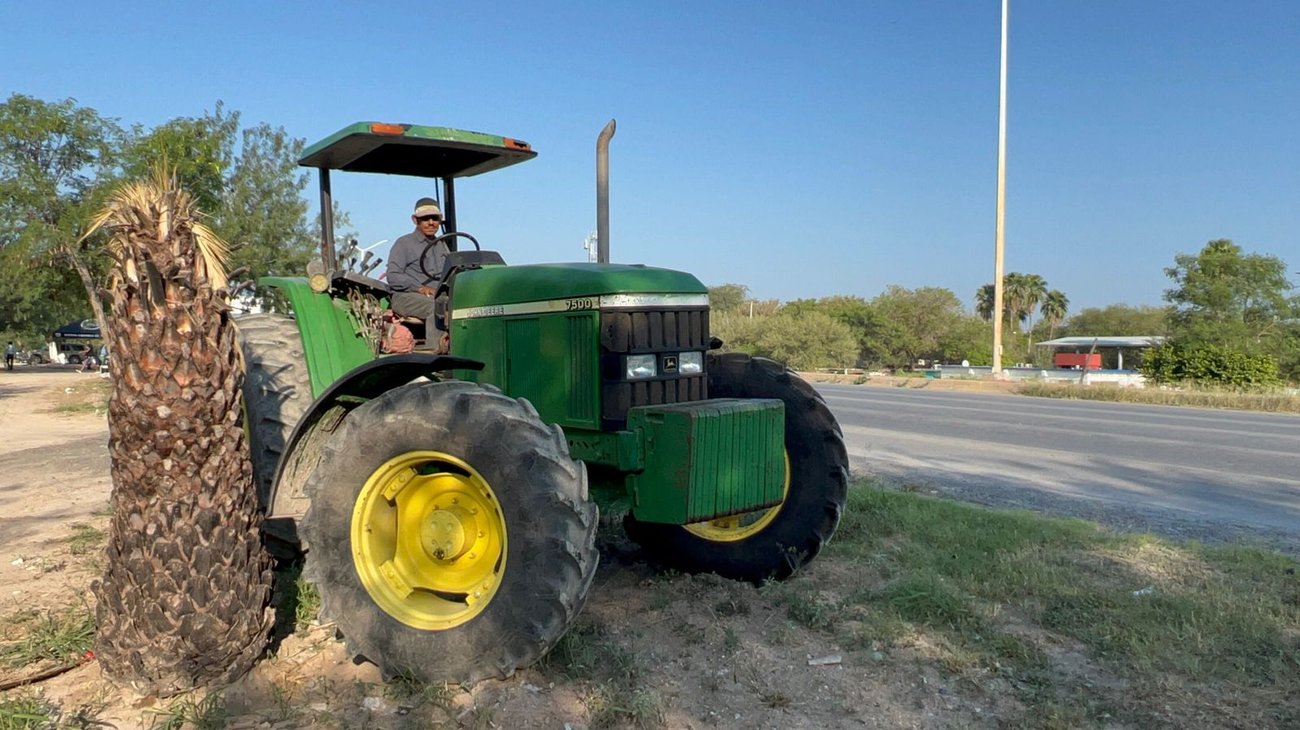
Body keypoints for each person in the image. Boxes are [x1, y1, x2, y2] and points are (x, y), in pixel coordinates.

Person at [385, 197, 449, 320]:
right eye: (425, 218)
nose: (431, 222)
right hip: (407, 296)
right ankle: (435, 340)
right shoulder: (404, 243)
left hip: (437, 296)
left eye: (435, 218)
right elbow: (393, 275)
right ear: (415, 220)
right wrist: (419, 288)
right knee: (437, 307)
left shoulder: (442, 245)